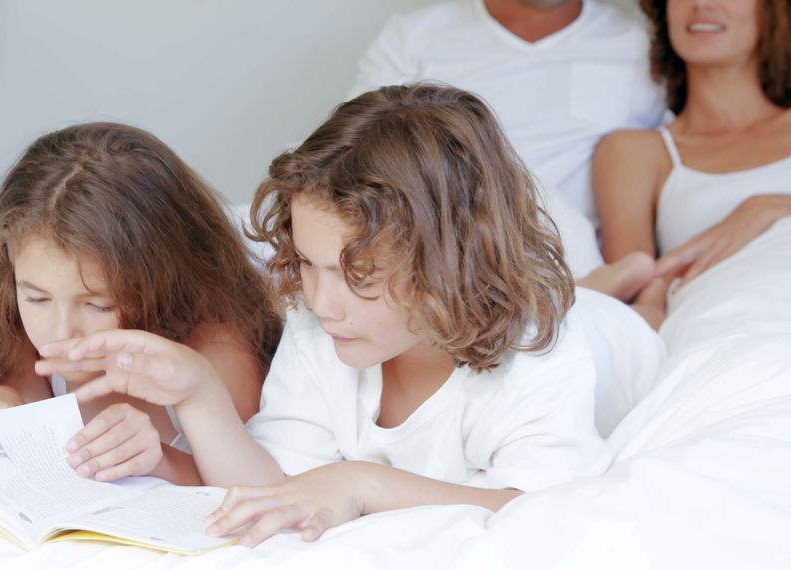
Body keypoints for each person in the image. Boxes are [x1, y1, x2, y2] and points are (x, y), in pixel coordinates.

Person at [37, 85, 664, 546]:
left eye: (357, 277)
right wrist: (200, 395)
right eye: (309, 264)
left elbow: (544, 508)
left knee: (614, 308)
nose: (321, 300)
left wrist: (365, 482)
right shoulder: (324, 331)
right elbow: (272, 486)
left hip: (614, 332)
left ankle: (637, 283)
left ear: (453, 262)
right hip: (498, 303)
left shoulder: (541, 358)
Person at [0, 122, 283, 486]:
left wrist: (159, 459)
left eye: (99, 305)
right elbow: (15, 410)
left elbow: (249, 481)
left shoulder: (216, 352)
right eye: (37, 298)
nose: (62, 333)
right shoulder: (24, 338)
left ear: (159, 280)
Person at [350, 0, 666, 276]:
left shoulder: (641, 41)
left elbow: (701, 140)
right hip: (447, 248)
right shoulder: (413, 37)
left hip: (573, 262)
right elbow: (357, 156)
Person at [594, 0, 791, 293]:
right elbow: (635, 301)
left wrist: (767, 208)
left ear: (772, 9)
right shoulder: (634, 153)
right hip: (716, 327)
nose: (701, 3)